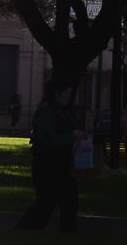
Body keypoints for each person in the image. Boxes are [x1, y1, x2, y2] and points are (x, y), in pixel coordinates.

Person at [16, 76, 86, 233]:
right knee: (46, 204)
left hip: (63, 165)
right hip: (47, 166)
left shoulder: (63, 111)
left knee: (69, 203)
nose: (69, 96)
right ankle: (24, 232)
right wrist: (72, 136)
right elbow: (47, 140)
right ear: (57, 93)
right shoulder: (46, 112)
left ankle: (68, 235)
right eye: (66, 93)